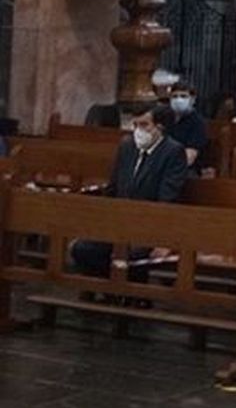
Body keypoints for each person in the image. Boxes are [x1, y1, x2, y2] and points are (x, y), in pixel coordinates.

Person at [70, 104, 189, 279]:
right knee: (82, 249)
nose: (138, 131)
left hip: (148, 228)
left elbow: (168, 200)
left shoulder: (173, 152)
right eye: (135, 125)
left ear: (160, 128)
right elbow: (112, 189)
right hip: (118, 223)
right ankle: (108, 292)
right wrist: (96, 227)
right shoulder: (127, 146)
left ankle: (127, 295)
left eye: (144, 125)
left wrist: (163, 241)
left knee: (132, 255)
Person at [164, 81, 209, 169]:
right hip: (163, 164)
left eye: (183, 96)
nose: (179, 100)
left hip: (185, 169)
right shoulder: (166, 118)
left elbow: (189, 158)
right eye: (175, 96)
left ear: (192, 99)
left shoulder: (197, 122)